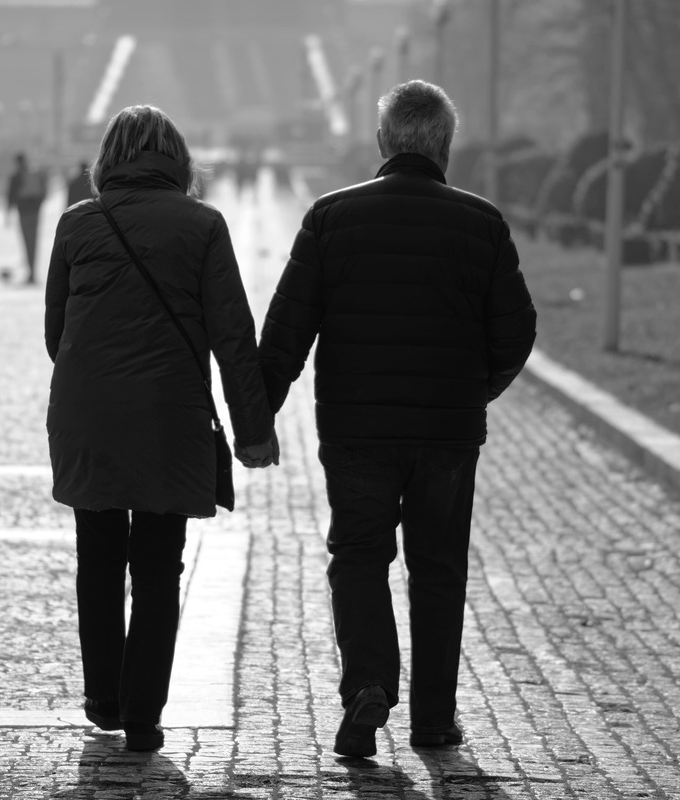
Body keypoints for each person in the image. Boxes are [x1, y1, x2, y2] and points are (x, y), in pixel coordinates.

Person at [257, 80, 537, 759]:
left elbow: (288, 329)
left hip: (356, 429)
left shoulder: (331, 217)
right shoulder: (481, 223)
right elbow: (516, 329)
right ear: (446, 144)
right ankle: (435, 721)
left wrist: (254, 416)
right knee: (438, 569)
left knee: (357, 556)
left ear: (382, 142)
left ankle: (369, 684)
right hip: (446, 432)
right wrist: (479, 390)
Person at [45, 104, 279, 753]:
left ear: (106, 161)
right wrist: (253, 431)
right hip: (168, 416)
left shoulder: (75, 225)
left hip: (87, 414)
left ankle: (103, 696)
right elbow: (234, 336)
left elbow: (53, 334)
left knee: (97, 556)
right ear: (180, 162)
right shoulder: (203, 225)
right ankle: (144, 714)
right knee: (156, 564)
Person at [6, 152, 48, 284]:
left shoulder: (17, 176)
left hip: (24, 211)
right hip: (34, 210)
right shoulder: (34, 174)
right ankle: (32, 271)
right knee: (33, 241)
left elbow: (10, 195)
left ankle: (31, 272)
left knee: (27, 241)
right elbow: (43, 192)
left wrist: (7, 212)